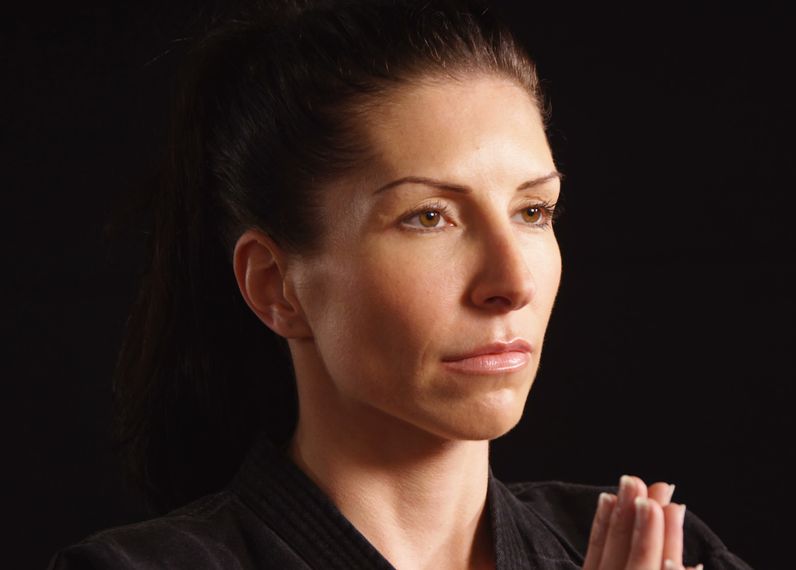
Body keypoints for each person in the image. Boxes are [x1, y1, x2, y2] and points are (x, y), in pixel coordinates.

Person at [49, 1, 752, 568]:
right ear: (276, 286)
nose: (511, 283)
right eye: (428, 217)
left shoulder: (666, 554)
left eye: (533, 211)